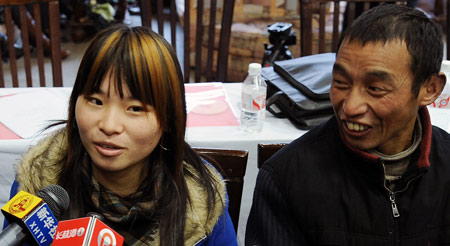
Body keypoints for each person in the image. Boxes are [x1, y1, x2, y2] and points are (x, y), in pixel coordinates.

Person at [5, 24, 237, 246]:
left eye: (135, 108)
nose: (109, 125)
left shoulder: (202, 199)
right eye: (95, 101)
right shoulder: (39, 187)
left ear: (168, 118)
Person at [246, 4, 450, 245]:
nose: (350, 107)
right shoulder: (286, 178)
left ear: (430, 89)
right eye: (341, 83)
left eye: (375, 89)